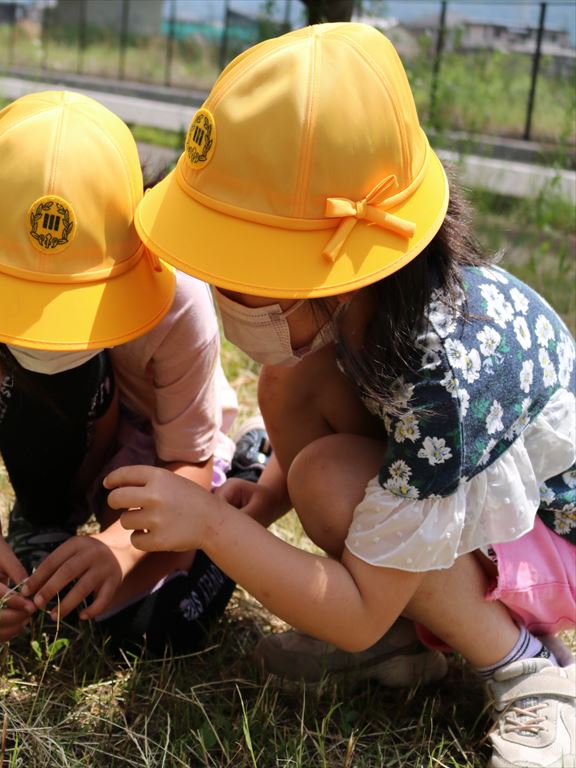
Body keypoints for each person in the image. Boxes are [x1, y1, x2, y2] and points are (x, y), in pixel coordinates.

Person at [105, 23, 575, 767]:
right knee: (291, 386)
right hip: (464, 497)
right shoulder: (370, 308)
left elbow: (348, 612)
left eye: (237, 268)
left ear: (327, 269)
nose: (218, 292)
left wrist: (214, 527)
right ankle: (407, 634)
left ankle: (529, 668)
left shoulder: (439, 385)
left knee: (327, 480)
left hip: (551, 541)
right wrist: (264, 499)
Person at [0, 90, 245, 653]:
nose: (42, 330)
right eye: (18, 307)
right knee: (52, 608)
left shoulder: (174, 299)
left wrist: (118, 548)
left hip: (157, 458)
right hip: (53, 435)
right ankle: (45, 516)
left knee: (153, 625)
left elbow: (184, 462)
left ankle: (246, 472)